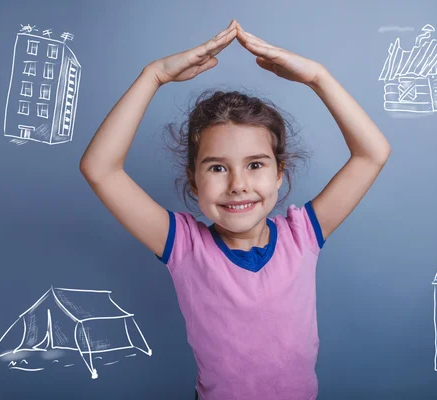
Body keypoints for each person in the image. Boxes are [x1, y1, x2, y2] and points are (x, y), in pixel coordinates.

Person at [80, 19, 391, 400]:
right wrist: (154, 76)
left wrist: (318, 77)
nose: (238, 184)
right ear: (193, 181)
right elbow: (100, 169)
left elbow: (372, 153)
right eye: (217, 167)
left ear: (280, 175)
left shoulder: (303, 233)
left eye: (255, 164)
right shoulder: (184, 246)